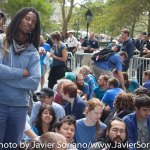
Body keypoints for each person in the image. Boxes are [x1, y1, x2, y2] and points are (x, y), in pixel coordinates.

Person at [0, 7, 41, 146]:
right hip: (0, 103)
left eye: (33, 22)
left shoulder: (33, 52)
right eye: (27, 18)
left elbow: (34, 82)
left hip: (20, 108)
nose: (30, 23)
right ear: (19, 19)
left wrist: (4, 78)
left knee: (11, 146)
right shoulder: (2, 42)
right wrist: (21, 73)